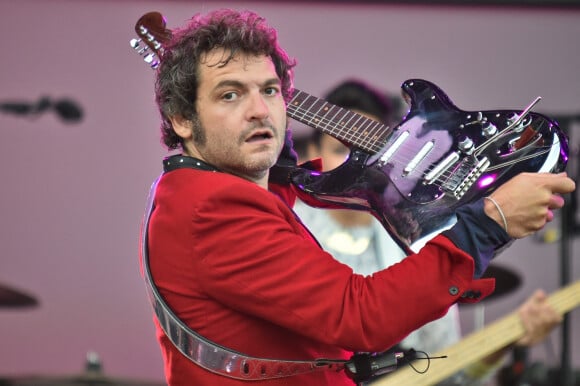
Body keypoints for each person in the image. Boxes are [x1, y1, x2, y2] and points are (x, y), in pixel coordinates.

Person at [141, 8, 575, 386]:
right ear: (181, 118)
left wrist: (284, 162)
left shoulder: (219, 193)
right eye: (230, 94)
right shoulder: (210, 208)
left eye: (270, 90)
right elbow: (359, 316)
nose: (259, 109)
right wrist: (488, 223)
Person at [293, 79, 564, 385]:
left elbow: (449, 370)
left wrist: (508, 339)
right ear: (313, 151)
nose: (357, 162)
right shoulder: (289, 226)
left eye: (373, 153)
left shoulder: (413, 237)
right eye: (340, 148)